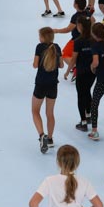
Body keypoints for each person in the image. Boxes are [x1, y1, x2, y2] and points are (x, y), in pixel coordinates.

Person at [32, 26, 63, 154]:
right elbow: (61, 65)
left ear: (43, 37)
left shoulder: (39, 47)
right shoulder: (57, 47)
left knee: (35, 111)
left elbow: (35, 65)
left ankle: (41, 135)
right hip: (53, 85)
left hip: (40, 84)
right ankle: (50, 139)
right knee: (50, 113)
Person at [69, 16, 94, 131]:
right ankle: (88, 115)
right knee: (87, 91)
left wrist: (67, 71)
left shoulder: (78, 41)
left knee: (81, 95)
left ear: (80, 26)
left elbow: (74, 59)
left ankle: (83, 122)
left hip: (81, 72)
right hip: (92, 72)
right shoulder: (94, 39)